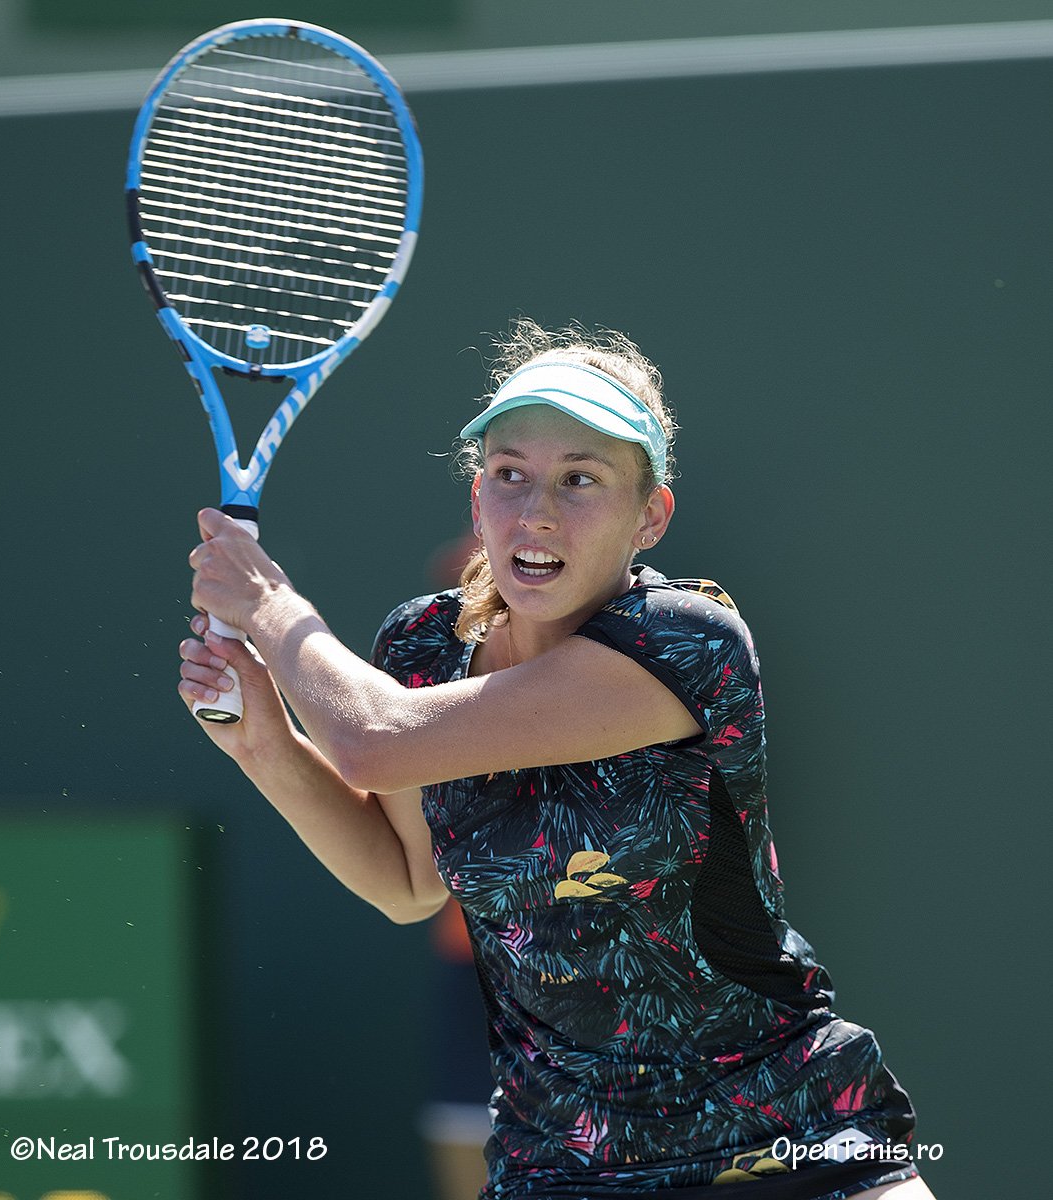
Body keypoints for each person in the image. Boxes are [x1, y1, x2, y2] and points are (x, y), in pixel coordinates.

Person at [179, 320, 937, 1200]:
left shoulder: (688, 644)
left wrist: (267, 603)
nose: (536, 510)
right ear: (477, 501)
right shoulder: (422, 646)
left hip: (791, 1143)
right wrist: (265, 741)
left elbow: (375, 740)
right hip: (562, 1163)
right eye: (511, 475)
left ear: (648, 515)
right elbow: (405, 881)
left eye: (581, 479)